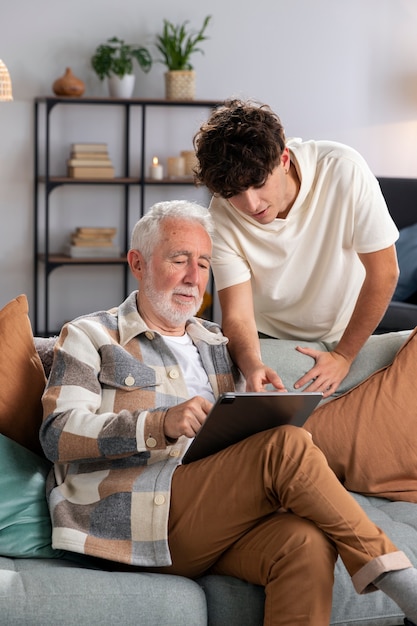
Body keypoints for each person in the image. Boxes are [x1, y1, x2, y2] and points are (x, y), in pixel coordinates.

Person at [39, 201, 417, 626]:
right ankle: (399, 578)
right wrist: (157, 424)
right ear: (138, 263)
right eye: (179, 259)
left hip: (209, 519)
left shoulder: (216, 345)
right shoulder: (89, 335)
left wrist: (262, 401)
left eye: (203, 263)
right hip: (134, 518)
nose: (192, 277)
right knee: (285, 446)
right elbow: (58, 434)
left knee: (305, 542)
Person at [193, 99, 401, 398]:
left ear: (284, 159)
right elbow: (238, 316)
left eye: (258, 183)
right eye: (234, 193)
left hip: (348, 336)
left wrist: (343, 357)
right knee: (219, 377)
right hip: (270, 341)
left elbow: (384, 273)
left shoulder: (343, 169)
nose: (251, 205)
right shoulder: (221, 215)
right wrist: (252, 366)